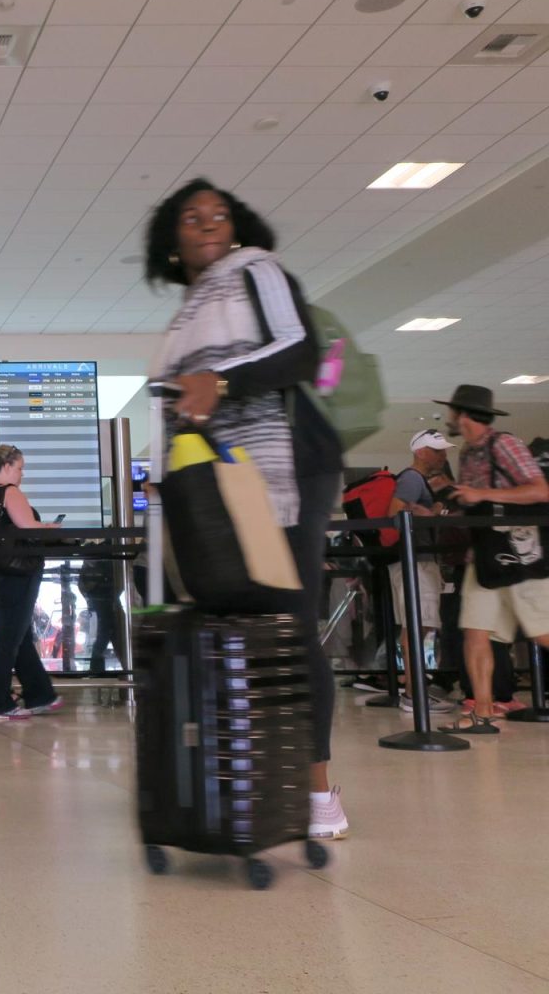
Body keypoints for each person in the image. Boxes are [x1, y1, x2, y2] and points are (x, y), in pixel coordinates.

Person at [146, 179, 348, 837]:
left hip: (286, 464)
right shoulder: (187, 312)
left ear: (235, 228)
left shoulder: (256, 269)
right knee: (237, 621)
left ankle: (317, 791)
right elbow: (182, 405)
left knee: (286, 621)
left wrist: (223, 380)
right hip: (221, 481)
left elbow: (301, 351)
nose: (206, 222)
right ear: (172, 240)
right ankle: (257, 775)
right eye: (190, 216)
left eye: (219, 213)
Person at [432, 385, 549, 734]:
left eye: (453, 412)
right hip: (482, 555)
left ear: (464, 414)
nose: (450, 419)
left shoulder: (505, 444)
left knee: (542, 631)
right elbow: (477, 502)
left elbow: (540, 489)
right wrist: (452, 498)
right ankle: (482, 713)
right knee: (475, 631)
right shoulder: (468, 452)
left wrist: (479, 493)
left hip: (518, 553)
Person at [0, 443, 63, 721]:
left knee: (16, 634)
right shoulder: (9, 493)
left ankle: (40, 694)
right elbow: (28, 528)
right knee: (10, 637)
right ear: (7, 466)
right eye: (20, 468)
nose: (21, 475)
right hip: (16, 573)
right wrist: (50, 528)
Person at [386, 430, 456, 714]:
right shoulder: (412, 479)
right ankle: (413, 694)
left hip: (416, 559)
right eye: (437, 450)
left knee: (419, 624)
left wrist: (434, 509)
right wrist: (429, 514)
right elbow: (396, 514)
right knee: (418, 624)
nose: (443, 455)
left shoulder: (419, 482)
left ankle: (414, 691)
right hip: (414, 561)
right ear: (420, 452)